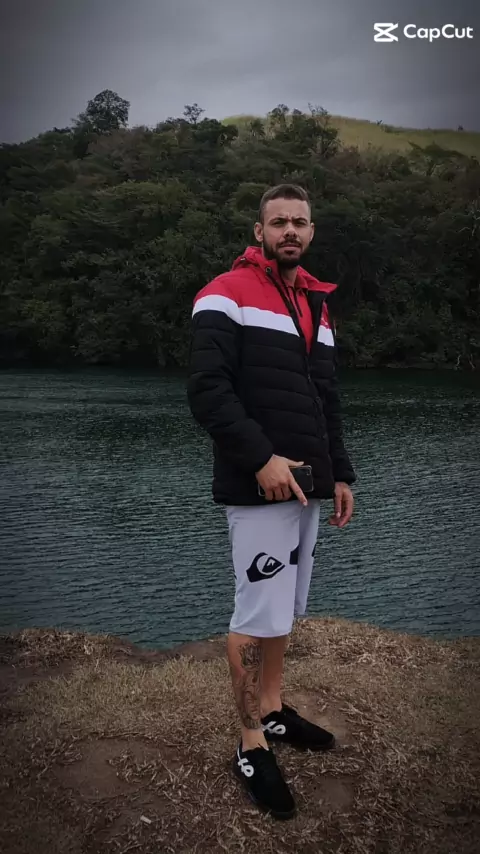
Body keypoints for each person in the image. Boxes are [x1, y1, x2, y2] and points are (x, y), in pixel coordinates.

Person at [186, 184, 355, 820]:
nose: (290, 230)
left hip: (308, 485)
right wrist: (261, 459)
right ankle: (250, 740)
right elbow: (208, 390)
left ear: (310, 232)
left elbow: (326, 398)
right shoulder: (225, 293)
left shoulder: (316, 303)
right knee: (255, 614)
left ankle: (274, 710)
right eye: (278, 221)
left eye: (299, 222)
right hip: (257, 486)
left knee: (281, 610)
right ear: (259, 231)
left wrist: (341, 475)